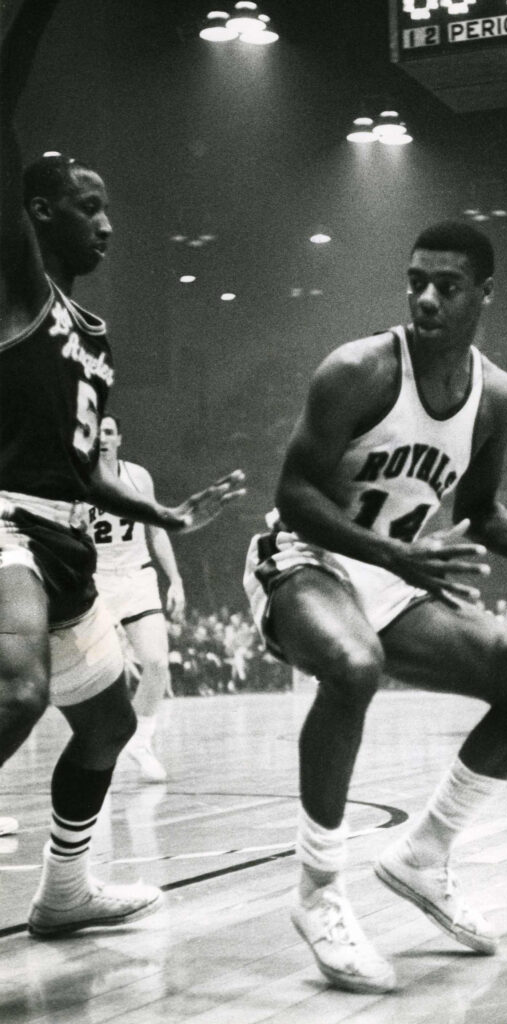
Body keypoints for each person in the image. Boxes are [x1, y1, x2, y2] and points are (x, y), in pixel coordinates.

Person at [244, 220, 507, 993]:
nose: (426, 299)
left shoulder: (495, 398)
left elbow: (482, 510)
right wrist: (398, 554)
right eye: (416, 281)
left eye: (447, 286)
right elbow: (292, 496)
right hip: (305, 559)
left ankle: (422, 855)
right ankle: (318, 891)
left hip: (389, 578)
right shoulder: (356, 371)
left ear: (484, 295)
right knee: (355, 666)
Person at [0, 0, 244, 936]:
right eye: (89, 206)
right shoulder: (18, 286)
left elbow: (88, 467)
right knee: (19, 693)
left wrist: (170, 516)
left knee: (108, 726)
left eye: (109, 208)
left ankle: (64, 893)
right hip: (4, 520)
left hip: (62, 538)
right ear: (38, 215)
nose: (108, 223)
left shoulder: (93, 335)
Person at [89, 414, 186, 783]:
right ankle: (97, 748)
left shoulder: (138, 477)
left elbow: (157, 531)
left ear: (119, 439)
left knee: (157, 662)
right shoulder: (75, 479)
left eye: (109, 432)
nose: (103, 438)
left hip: (137, 575)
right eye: (96, 432)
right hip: (95, 579)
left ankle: (140, 742)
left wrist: (175, 579)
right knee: (101, 675)